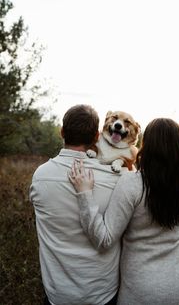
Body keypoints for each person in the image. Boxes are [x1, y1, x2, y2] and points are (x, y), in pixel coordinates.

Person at [69, 118, 179, 305]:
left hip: (144, 292)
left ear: (146, 146)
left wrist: (84, 194)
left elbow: (104, 239)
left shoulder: (132, 183)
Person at [29, 104, 128, 305]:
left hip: (58, 293)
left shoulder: (40, 177)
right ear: (96, 137)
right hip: (102, 294)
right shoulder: (117, 179)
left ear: (62, 132)